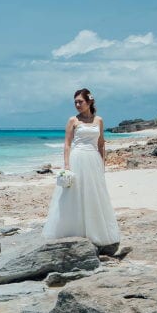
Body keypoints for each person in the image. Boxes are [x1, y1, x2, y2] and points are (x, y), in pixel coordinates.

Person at [44, 87, 120, 246]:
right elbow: (67, 144)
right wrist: (66, 165)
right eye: (75, 102)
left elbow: (101, 144)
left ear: (89, 101)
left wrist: (102, 163)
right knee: (74, 194)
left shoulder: (98, 120)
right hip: (77, 158)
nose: (77, 105)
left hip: (93, 159)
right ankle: (73, 230)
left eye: (80, 102)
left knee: (94, 194)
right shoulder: (73, 120)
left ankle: (94, 231)